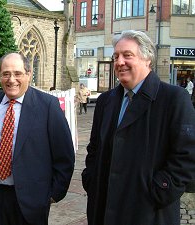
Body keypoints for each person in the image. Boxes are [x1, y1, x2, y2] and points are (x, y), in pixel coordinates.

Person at [81, 30, 195, 225]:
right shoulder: (105, 101)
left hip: (148, 212)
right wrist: (91, 179)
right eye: (116, 56)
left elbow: (187, 157)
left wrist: (159, 191)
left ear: (147, 59)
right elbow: (94, 149)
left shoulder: (174, 99)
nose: (119, 62)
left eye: (127, 55)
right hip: (103, 208)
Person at [0, 52, 75, 225]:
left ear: (29, 74)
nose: (11, 79)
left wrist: (51, 195)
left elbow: (64, 156)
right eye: (6, 73)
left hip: (32, 200)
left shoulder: (48, 106)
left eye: (18, 73)